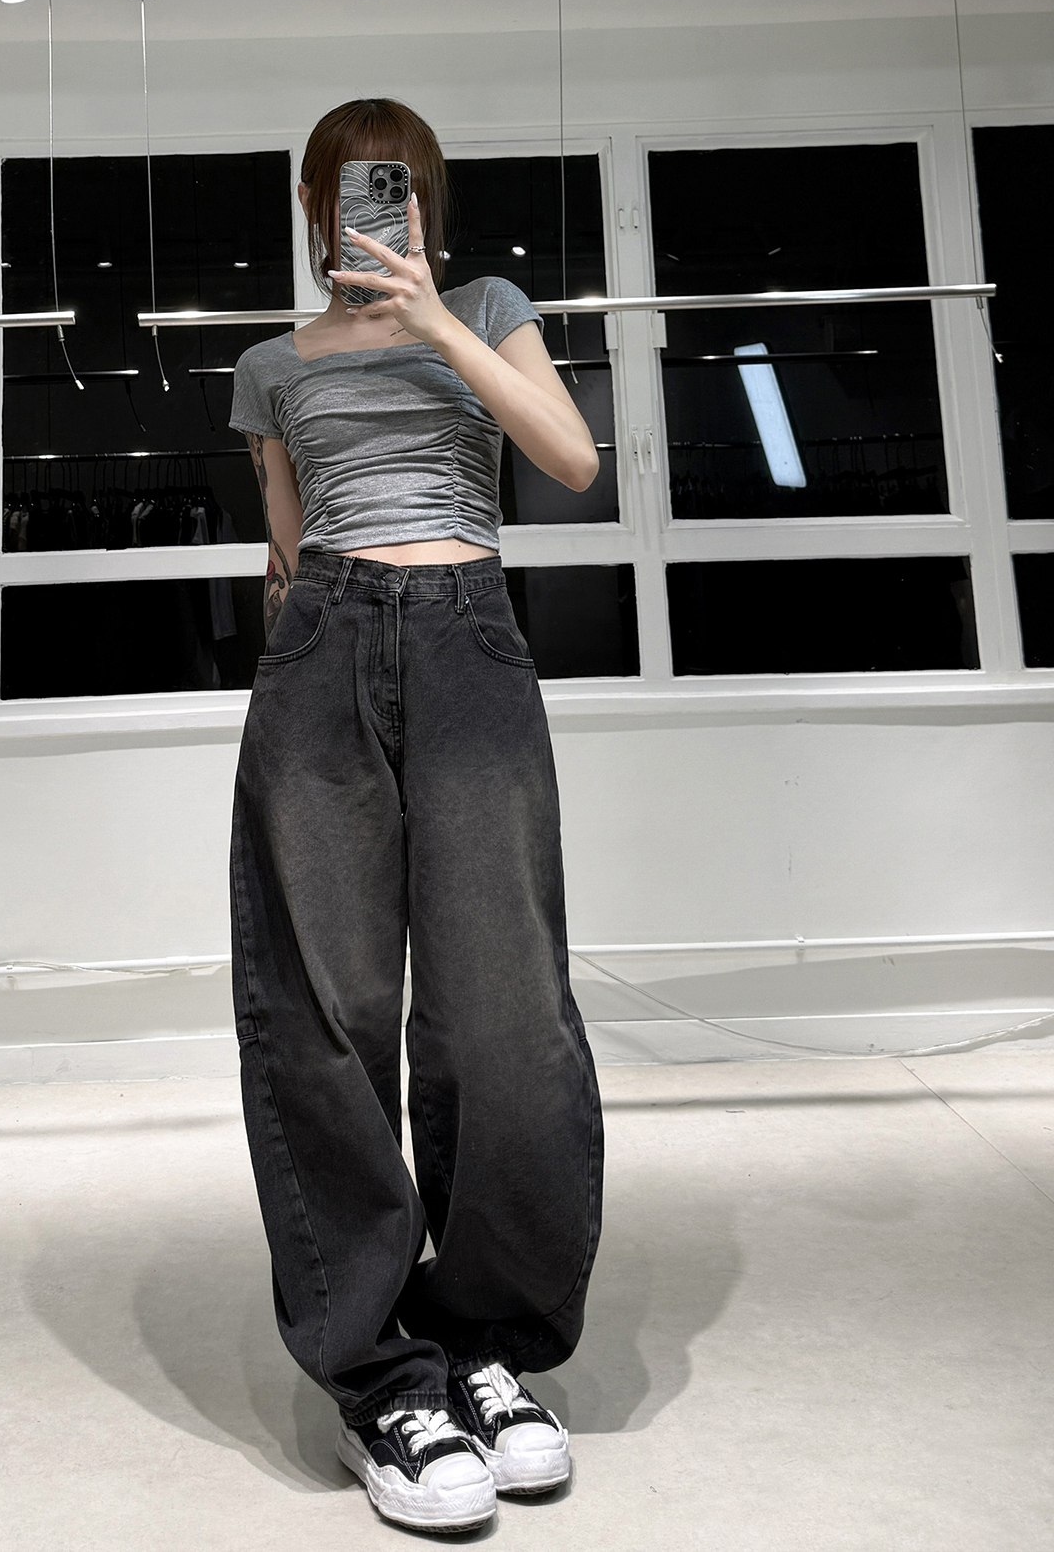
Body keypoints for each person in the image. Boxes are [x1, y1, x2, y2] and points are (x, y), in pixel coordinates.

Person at [228, 98, 605, 1534]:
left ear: (426, 201)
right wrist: (297, 656)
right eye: (345, 192)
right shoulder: (270, 365)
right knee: (324, 1018)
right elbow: (285, 543)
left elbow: (568, 459)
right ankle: (381, 1377)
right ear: (314, 208)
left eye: (395, 188)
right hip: (324, 646)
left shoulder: (490, 308)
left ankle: (485, 1340)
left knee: (505, 1017)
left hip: (467, 636)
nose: (371, 211)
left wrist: (435, 317)